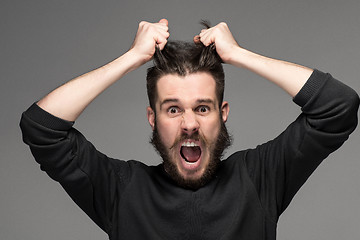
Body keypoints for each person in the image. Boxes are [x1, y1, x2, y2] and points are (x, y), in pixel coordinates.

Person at [20, 19, 359, 239]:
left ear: (222, 113)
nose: (189, 124)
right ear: (152, 118)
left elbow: (338, 107)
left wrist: (239, 55)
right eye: (172, 109)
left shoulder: (259, 178)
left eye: (202, 108)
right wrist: (131, 58)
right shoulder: (121, 191)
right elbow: (41, 127)